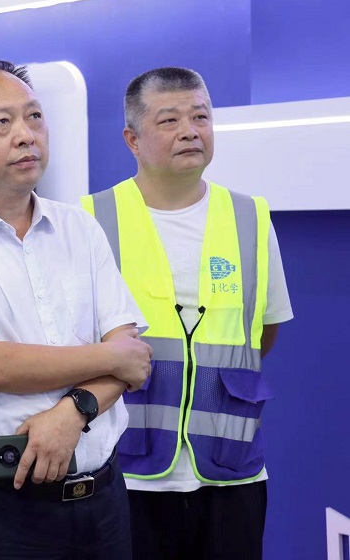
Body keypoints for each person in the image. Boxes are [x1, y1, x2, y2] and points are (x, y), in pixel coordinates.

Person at [0, 59, 154, 559]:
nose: (25, 135)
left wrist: (73, 412)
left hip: (103, 500)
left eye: (34, 116)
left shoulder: (80, 228)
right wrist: (110, 358)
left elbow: (133, 359)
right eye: (2, 122)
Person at [81, 66, 293, 560]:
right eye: (169, 120)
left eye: (200, 117)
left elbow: (262, 333)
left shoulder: (250, 218)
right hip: (123, 472)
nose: (190, 131)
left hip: (232, 473)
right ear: (132, 140)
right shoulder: (91, 220)